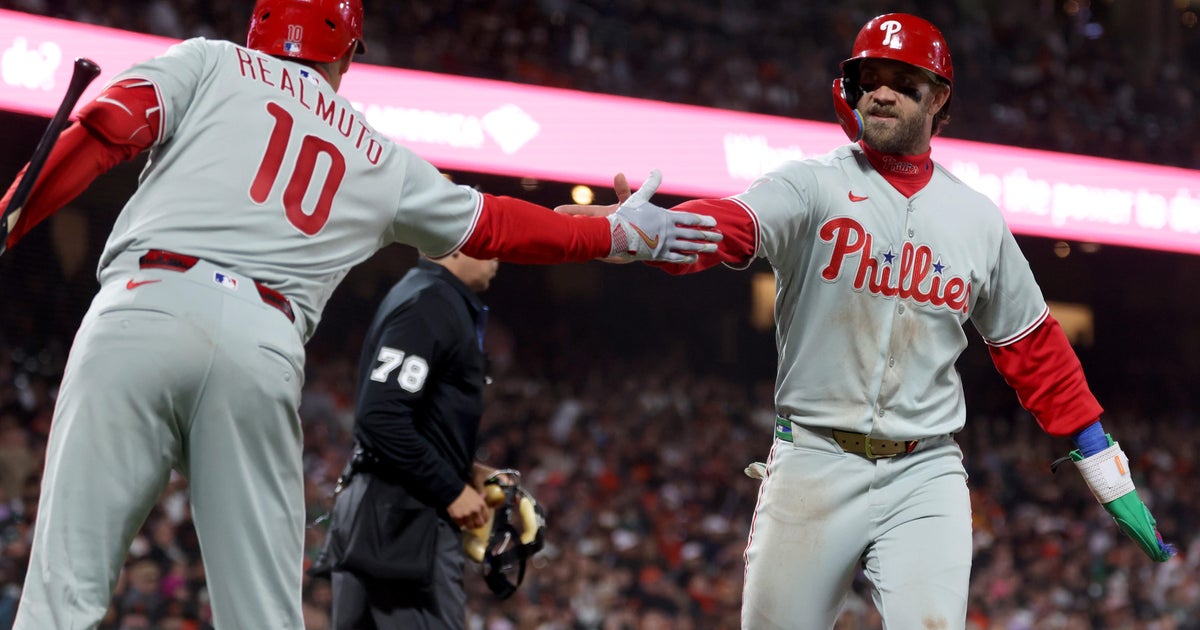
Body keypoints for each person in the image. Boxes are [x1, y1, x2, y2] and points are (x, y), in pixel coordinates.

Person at [0, 0, 722, 627]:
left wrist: (10, 216)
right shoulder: (376, 152)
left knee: (63, 593)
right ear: (346, 55)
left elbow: (109, 126)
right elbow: (495, 224)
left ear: (259, 27)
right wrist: (612, 233)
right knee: (262, 616)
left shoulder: (210, 61)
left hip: (144, 306)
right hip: (261, 341)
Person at [561, 13, 1176, 629]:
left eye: (904, 82)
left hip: (925, 469)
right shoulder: (810, 184)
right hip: (813, 458)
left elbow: (1033, 345)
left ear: (938, 99)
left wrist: (1103, 464)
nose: (881, 92)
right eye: (869, 78)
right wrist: (652, 233)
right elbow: (735, 224)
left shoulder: (976, 219)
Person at [308, 251, 505, 629]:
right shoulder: (430, 302)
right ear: (455, 244)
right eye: (485, 242)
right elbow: (381, 418)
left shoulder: (424, 293)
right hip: (404, 528)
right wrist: (451, 488)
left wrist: (464, 469)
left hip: (382, 519)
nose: (496, 256)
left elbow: (407, 419)